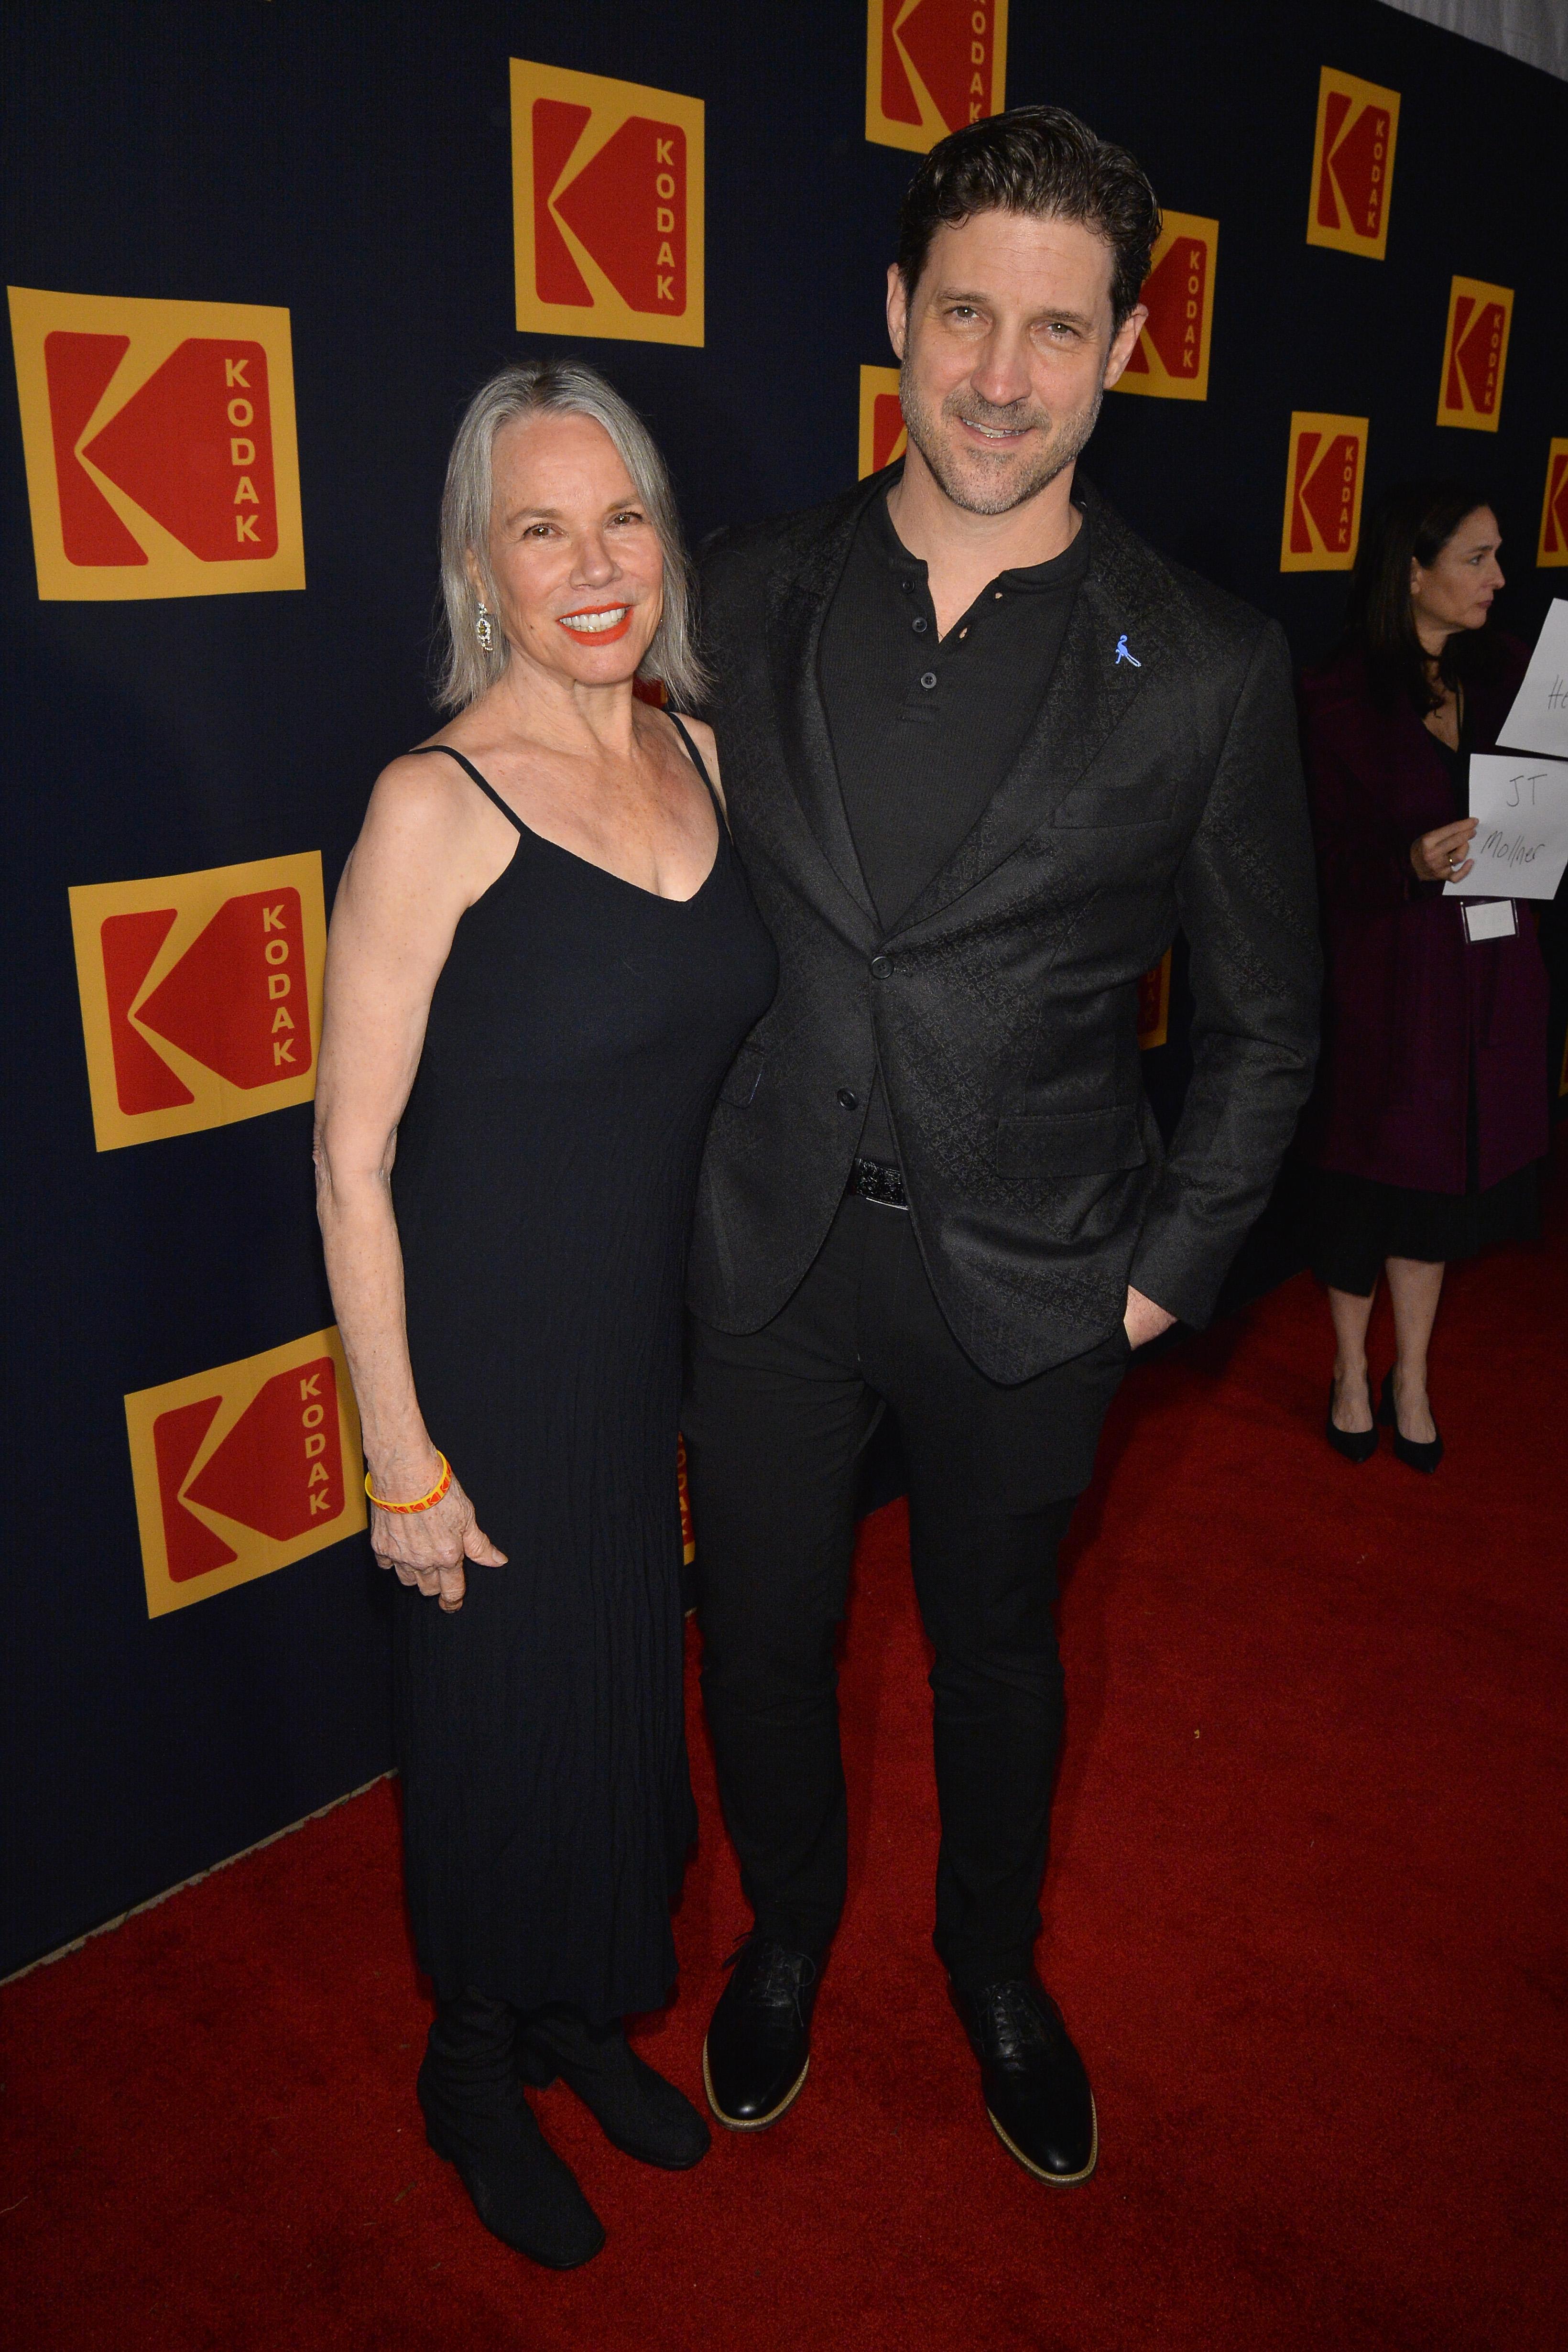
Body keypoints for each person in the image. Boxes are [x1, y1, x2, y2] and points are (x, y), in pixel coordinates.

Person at [680, 106, 1320, 2186]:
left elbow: (1267, 1020)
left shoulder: (1208, 666)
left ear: (1121, 348)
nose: (998, 373)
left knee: (998, 1661)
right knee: (762, 1645)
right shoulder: (740, 596)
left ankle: (991, 1966)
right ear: (896, 310)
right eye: (965, 312)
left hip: (1036, 1276)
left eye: (1056, 329)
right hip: (767, 1257)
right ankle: (781, 1933)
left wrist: (1165, 1267)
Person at [313, 361, 777, 2267]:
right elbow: (349, 1160)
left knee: (609, 1715)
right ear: (477, 568)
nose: (591, 567)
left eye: (621, 518)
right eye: (539, 529)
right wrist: (398, 1456)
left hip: (642, 1361)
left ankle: (581, 2012)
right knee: (499, 1728)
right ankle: (474, 2065)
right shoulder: (434, 802)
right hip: (486, 1367)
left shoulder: (704, 750)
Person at [1299, 482, 1549, 1473]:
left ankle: (1410, 1375)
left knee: (1439, 1189)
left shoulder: (1517, 675)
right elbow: (1313, 869)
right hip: (1384, 983)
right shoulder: (1330, 697)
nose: (1499, 578)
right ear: (1413, 570)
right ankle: (1350, 1373)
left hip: (1485, 981)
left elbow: (1538, 826)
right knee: (1367, 1182)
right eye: (1477, 559)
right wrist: (1406, 866)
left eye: (1498, 557)